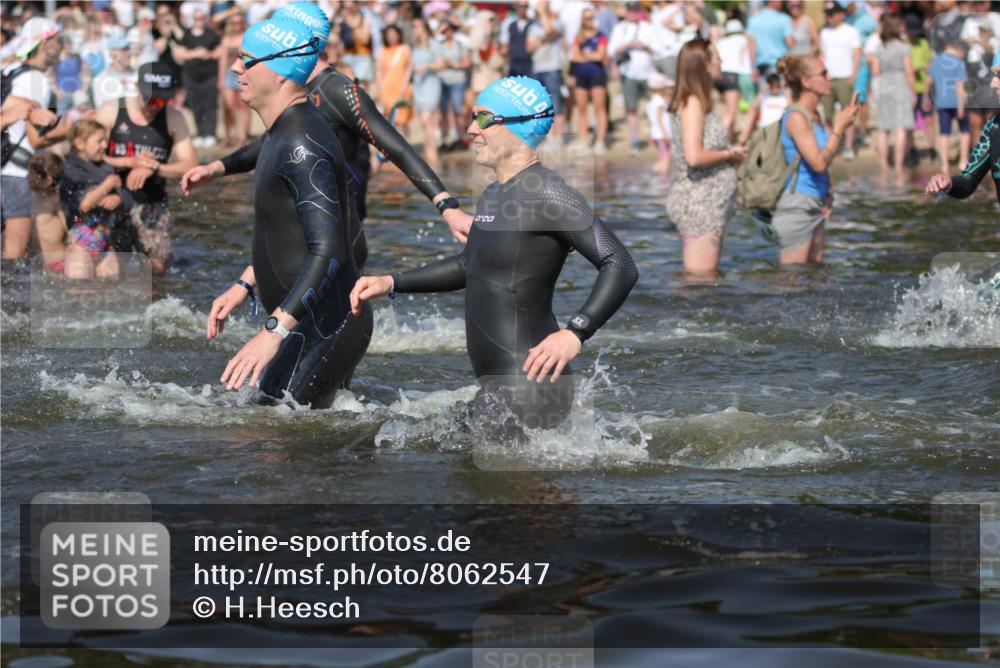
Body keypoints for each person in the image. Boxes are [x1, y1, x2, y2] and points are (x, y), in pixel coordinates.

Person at [349, 76, 638, 430]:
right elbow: (471, 265)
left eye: (484, 119)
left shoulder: (549, 193)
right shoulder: (494, 193)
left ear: (521, 126)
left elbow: (620, 263)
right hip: (500, 388)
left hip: (530, 387)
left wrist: (574, 333)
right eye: (473, 117)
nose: (471, 129)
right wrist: (391, 282)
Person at [183, 2, 473, 245]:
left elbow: (398, 148)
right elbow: (271, 142)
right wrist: (217, 168)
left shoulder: (338, 91)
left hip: (340, 237)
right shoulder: (291, 89)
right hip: (302, 234)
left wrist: (447, 207)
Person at [208, 14, 371, 408]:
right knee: (270, 429)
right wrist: (245, 283)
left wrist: (274, 330)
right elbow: (289, 233)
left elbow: (329, 249)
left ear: (280, 74)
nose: (235, 68)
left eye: (247, 60)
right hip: (306, 322)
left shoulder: (302, 141)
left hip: (326, 325)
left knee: (282, 438)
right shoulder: (282, 130)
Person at [95, 62, 199, 274]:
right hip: (113, 197)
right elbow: (88, 157)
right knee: (111, 270)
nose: (155, 105)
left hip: (152, 201)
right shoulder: (111, 111)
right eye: (150, 99)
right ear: (136, 88)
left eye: (161, 100)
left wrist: (154, 168)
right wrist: (128, 163)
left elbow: (190, 165)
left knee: (158, 268)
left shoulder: (174, 117)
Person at [765, 55, 858, 265]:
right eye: (823, 74)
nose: (829, 77)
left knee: (815, 275)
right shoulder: (796, 118)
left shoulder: (814, 115)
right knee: (793, 278)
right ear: (806, 82)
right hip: (796, 205)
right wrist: (839, 127)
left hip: (816, 202)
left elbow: (822, 159)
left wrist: (828, 192)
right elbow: (818, 163)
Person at [665, 39, 746, 278]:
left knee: (704, 280)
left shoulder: (700, 102)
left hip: (708, 203)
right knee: (699, 281)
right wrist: (729, 154)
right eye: (717, 57)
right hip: (699, 205)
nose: (721, 61)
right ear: (704, 65)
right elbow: (694, 156)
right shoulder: (692, 103)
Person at [1, 16, 70, 261]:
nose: (60, 46)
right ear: (43, 43)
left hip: (3, 165)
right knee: (16, 252)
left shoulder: (10, 70)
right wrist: (71, 129)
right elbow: (36, 140)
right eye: (57, 40)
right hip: (16, 173)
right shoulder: (36, 80)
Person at [59, 120, 131, 279]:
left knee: (111, 289)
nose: (105, 145)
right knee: (81, 289)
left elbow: (127, 198)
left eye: (106, 140)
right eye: (99, 141)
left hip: (106, 241)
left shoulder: (105, 167)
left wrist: (118, 198)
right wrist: (109, 183)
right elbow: (84, 204)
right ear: (80, 143)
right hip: (79, 244)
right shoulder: (69, 170)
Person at [926, 52, 1000, 204]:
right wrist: (949, 183)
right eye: (994, 75)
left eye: (999, 75)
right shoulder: (993, 126)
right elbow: (968, 179)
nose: (993, 84)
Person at [609, 2, 658, 155]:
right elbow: (611, 51)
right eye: (631, 10)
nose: (634, 13)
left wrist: (644, 46)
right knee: (631, 108)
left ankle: (655, 137)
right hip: (628, 73)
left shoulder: (648, 27)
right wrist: (628, 45)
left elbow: (658, 49)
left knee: (653, 106)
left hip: (648, 74)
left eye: (636, 10)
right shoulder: (620, 28)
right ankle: (635, 139)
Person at [870, 14, 915, 171]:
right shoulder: (904, 47)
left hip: (884, 86)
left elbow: (875, 71)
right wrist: (913, 91)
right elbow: (908, 71)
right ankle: (898, 165)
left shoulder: (879, 48)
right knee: (901, 127)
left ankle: (883, 164)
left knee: (883, 128)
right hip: (900, 86)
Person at [819, 3, 862, 159]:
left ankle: (848, 146)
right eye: (828, 14)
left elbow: (857, 55)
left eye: (832, 14)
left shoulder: (851, 31)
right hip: (829, 77)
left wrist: (853, 75)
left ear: (840, 14)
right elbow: (822, 55)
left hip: (845, 75)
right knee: (827, 115)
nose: (829, 17)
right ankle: (830, 146)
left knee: (848, 113)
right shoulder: (824, 32)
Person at [174, 9, 221, 147]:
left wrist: (209, 54)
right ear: (193, 19)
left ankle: (210, 134)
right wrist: (197, 53)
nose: (199, 21)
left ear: (205, 19)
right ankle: (200, 133)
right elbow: (180, 54)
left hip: (210, 75)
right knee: (195, 105)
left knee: (210, 105)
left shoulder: (211, 34)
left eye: (201, 18)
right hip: (191, 76)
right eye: (196, 18)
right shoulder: (187, 34)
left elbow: (220, 51)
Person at [926, 41, 970, 174]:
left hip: (942, 102)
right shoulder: (959, 63)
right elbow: (960, 87)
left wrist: (926, 98)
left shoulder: (935, 61)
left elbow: (928, 81)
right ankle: (963, 161)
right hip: (957, 102)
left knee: (944, 133)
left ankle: (944, 164)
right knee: (965, 131)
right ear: (958, 50)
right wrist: (961, 106)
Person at [526, 0, 566, 145]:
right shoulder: (533, 26)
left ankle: (559, 138)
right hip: (538, 68)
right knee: (543, 106)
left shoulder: (557, 22)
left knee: (556, 104)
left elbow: (551, 32)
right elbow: (529, 47)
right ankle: (550, 137)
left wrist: (543, 13)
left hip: (553, 68)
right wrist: (544, 39)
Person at [570, 7, 609, 154]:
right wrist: (590, 55)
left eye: (590, 18)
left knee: (599, 107)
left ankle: (600, 141)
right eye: (586, 18)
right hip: (581, 75)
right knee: (582, 109)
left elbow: (600, 56)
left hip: (597, 75)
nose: (588, 21)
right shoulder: (578, 37)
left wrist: (584, 55)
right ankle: (584, 140)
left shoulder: (601, 35)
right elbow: (574, 57)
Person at [410, 17, 443, 164]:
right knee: (425, 124)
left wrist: (427, 66)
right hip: (419, 86)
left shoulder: (434, 45)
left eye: (417, 27)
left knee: (427, 119)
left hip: (431, 84)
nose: (414, 30)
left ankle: (433, 155)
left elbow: (441, 65)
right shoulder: (415, 47)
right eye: (413, 27)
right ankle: (431, 154)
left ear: (424, 29)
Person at [716, 18, 756, 141]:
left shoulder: (721, 42)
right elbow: (750, 59)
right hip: (733, 75)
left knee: (726, 110)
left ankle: (729, 139)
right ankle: (718, 139)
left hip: (719, 76)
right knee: (731, 112)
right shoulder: (744, 40)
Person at [218, 11, 250, 147]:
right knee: (228, 106)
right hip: (229, 73)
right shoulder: (226, 39)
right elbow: (223, 60)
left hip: (243, 72)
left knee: (243, 106)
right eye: (234, 23)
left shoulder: (247, 37)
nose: (237, 25)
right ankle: (228, 135)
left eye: (239, 22)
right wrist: (221, 79)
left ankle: (242, 136)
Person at [375, 24, 412, 132]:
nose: (392, 37)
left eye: (394, 34)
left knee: (403, 119)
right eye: (389, 35)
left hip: (402, 88)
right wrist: (380, 88)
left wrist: (405, 85)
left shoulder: (404, 48)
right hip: (387, 89)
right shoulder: (383, 50)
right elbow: (379, 70)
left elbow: (408, 69)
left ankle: (404, 139)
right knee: (392, 119)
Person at [738, 71, 790, 143]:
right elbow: (752, 108)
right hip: (764, 129)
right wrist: (763, 90)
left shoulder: (784, 99)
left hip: (779, 131)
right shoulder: (764, 98)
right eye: (772, 85)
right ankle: (743, 138)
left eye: (777, 85)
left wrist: (784, 88)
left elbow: (791, 107)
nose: (775, 88)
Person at [746, 0, 793, 77]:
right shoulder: (784, 19)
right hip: (780, 65)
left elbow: (751, 47)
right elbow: (790, 43)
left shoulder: (753, 19)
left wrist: (753, 67)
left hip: (762, 67)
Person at [91, 33, 135, 108]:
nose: (129, 53)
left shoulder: (137, 74)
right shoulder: (100, 79)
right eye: (124, 49)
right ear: (112, 54)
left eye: (129, 49)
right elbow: (102, 109)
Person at [646, 71, 671, 174]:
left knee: (662, 156)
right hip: (661, 133)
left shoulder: (651, 101)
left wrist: (650, 134)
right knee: (666, 157)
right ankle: (662, 177)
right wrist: (665, 133)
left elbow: (651, 120)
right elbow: (659, 118)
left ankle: (656, 175)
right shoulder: (659, 101)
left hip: (656, 133)